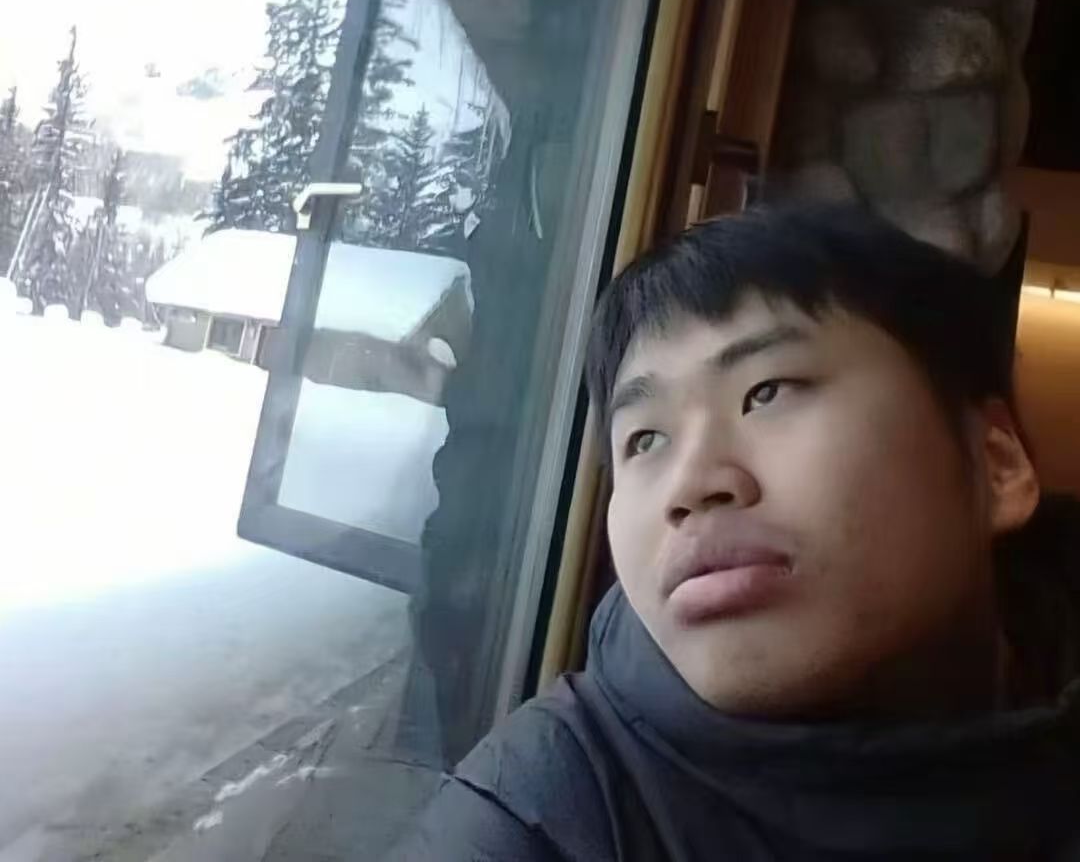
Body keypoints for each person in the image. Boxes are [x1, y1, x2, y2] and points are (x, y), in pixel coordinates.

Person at [388, 203, 1080, 861]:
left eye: (766, 392)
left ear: (996, 465)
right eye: (645, 440)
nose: (691, 486)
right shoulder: (543, 807)